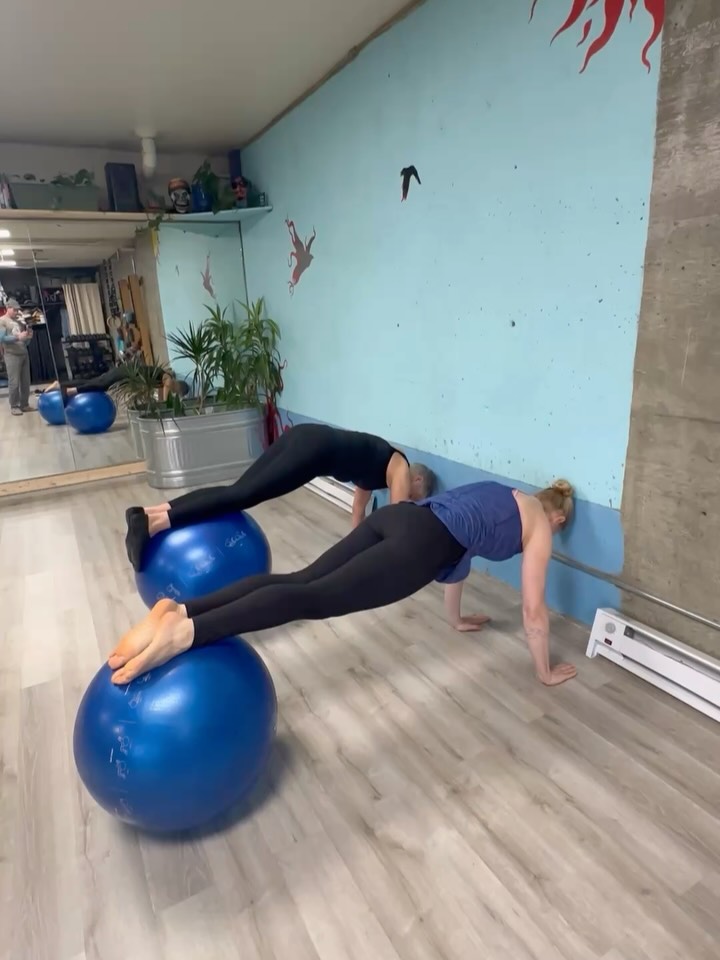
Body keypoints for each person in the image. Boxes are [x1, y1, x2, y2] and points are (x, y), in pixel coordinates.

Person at [109, 478, 577, 687]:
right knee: (311, 598)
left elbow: (460, 547)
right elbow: (533, 610)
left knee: (300, 580)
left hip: (399, 519)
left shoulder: (500, 494)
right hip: (418, 546)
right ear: (555, 514)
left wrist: (454, 620)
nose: (552, 535)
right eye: (559, 528)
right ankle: (188, 634)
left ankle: (184, 610)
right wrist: (544, 671)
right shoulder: (539, 524)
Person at [124, 423, 437, 570]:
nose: (410, 499)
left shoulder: (379, 465)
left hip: (306, 435)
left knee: (237, 489)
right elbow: (397, 525)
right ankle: (153, 527)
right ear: (417, 478)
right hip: (315, 450)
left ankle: (148, 513)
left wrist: (352, 555)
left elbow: (359, 511)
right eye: (416, 495)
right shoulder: (401, 469)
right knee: (243, 495)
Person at [43, 365, 188, 401]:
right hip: (127, 372)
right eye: (177, 392)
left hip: (127, 372)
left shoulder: (162, 379)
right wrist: (165, 404)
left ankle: (61, 384)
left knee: (95, 382)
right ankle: (73, 390)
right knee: (101, 385)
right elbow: (167, 386)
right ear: (178, 387)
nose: (175, 394)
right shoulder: (167, 377)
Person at [0, 299, 33, 416]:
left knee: (25, 381)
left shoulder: (19, 321)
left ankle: (24, 404)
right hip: (11, 355)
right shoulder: (2, 321)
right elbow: (2, 338)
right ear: (7, 308)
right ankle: (14, 406)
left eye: (17, 309)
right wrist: (18, 337)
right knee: (14, 382)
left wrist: (28, 336)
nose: (16, 311)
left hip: (23, 353)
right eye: (14, 309)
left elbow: (25, 341)